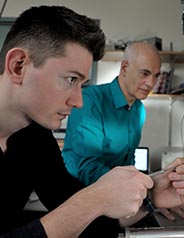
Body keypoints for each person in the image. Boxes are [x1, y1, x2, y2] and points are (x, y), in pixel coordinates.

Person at [0, 5, 184, 238]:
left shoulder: (34, 137)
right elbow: (82, 207)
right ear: (18, 65)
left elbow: (83, 218)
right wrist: (94, 199)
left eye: (82, 83)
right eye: (70, 79)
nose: (79, 101)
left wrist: (150, 199)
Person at [62, 41, 161, 186]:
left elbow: (128, 161)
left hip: (116, 193)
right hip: (77, 192)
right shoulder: (90, 100)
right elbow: (88, 168)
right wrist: (134, 185)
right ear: (125, 68)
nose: (151, 83)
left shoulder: (139, 110)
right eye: (145, 73)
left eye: (156, 76)